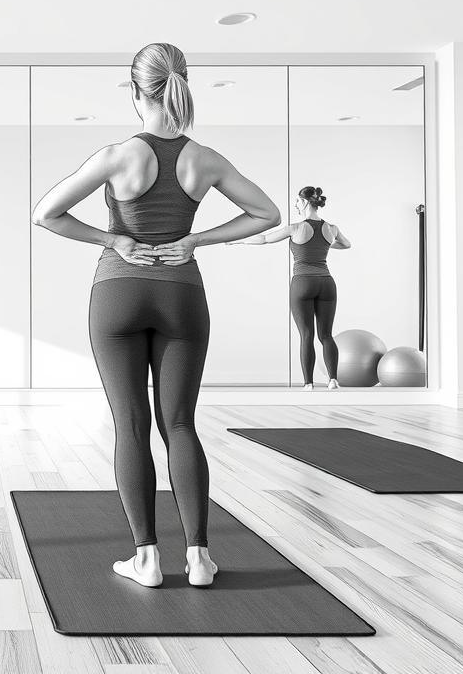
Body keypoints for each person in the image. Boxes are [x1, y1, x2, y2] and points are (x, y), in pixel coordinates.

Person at [31, 43, 280, 588]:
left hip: (117, 295)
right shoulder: (203, 158)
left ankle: (145, 559)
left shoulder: (117, 155)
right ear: (183, 84)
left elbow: (45, 214)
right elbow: (267, 213)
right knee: (181, 424)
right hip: (180, 297)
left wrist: (113, 239)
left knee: (131, 424)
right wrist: (197, 239)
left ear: (133, 90)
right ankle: (198, 559)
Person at [230, 186, 351, 390]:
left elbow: (265, 239)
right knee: (326, 335)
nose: (295, 205)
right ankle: (333, 380)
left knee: (306, 335)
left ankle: (309, 383)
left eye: (297, 201)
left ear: (304, 202)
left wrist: (239, 241)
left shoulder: (295, 228)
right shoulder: (332, 228)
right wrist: (324, 246)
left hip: (303, 282)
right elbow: (346, 245)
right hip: (327, 283)